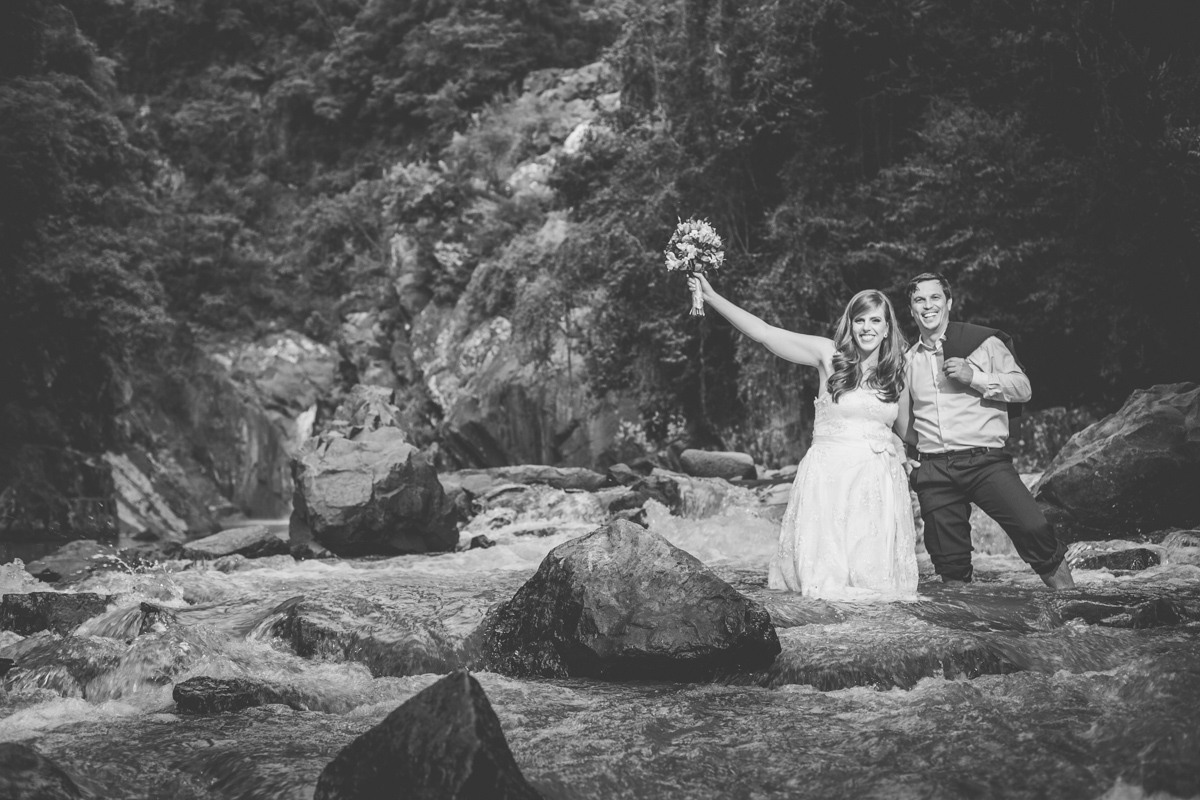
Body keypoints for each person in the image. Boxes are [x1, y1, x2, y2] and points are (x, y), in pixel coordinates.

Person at [689, 273, 919, 600]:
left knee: (874, 587)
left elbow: (907, 431)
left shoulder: (897, 372)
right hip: (829, 477)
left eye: (875, 320)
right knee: (827, 585)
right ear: (850, 325)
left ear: (887, 328)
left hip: (878, 481)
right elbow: (765, 333)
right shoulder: (829, 355)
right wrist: (712, 297)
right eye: (860, 320)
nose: (867, 327)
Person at [902, 272, 1075, 590]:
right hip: (935, 471)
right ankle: (966, 621)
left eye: (935, 297)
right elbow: (902, 421)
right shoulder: (907, 361)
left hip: (986, 463)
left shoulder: (984, 344)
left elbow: (1023, 388)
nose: (928, 305)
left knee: (1035, 531)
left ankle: (1073, 606)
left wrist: (975, 377)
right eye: (919, 300)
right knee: (950, 564)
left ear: (949, 303)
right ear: (911, 310)